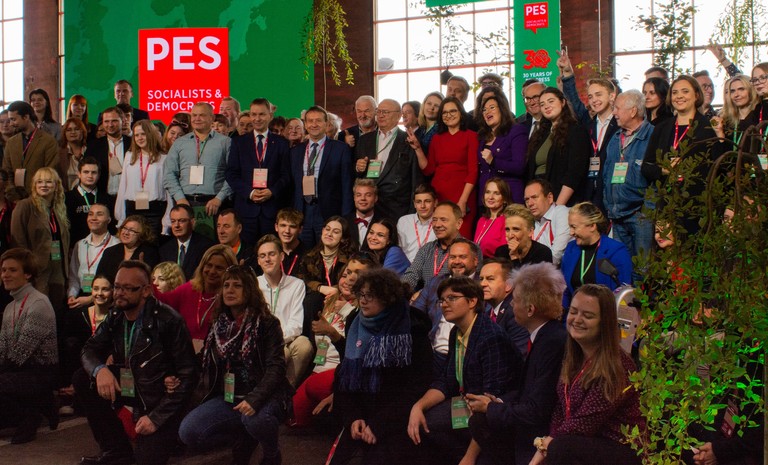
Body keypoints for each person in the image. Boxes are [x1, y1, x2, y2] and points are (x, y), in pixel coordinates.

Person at [74, 260, 198, 465]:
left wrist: (156, 418)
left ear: (146, 291)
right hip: (131, 386)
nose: (119, 293)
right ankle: (115, 450)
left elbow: (189, 376)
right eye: (117, 287)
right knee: (82, 378)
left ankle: (171, 438)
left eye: (127, 288)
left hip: (158, 399)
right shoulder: (116, 314)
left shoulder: (169, 320)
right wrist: (100, 370)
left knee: (146, 459)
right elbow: (89, 349)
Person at [178, 265, 291, 465]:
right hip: (229, 397)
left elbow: (276, 368)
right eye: (226, 285)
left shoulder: (267, 323)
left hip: (264, 396)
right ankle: (244, 438)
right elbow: (203, 360)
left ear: (249, 290)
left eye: (237, 286)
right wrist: (176, 374)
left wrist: (254, 399)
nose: (230, 290)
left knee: (255, 420)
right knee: (189, 432)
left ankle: (272, 454)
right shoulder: (217, 324)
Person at [407, 276, 519, 464]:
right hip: (466, 405)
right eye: (442, 300)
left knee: (435, 426)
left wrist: (469, 457)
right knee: (421, 421)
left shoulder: (491, 337)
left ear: (472, 301)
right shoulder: (456, 332)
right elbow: (447, 381)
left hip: (493, 415)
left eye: (452, 298)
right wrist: (417, 407)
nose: (444, 304)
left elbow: (491, 401)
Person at [528, 284, 644, 465]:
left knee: (561, 447)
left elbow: (584, 423)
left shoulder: (618, 366)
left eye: (588, 316)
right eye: (573, 312)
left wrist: (544, 448)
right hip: (583, 444)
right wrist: (547, 442)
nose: (577, 319)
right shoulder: (574, 357)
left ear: (604, 322)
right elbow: (560, 411)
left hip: (621, 449)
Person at [465, 262, 567, 465]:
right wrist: (498, 402)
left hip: (537, 438)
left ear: (530, 309)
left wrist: (491, 408)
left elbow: (536, 411)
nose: (511, 304)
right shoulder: (546, 336)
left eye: (516, 299)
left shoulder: (552, 343)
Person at [329, 268, 433, 465]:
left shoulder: (412, 329)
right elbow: (345, 378)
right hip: (362, 414)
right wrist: (354, 417)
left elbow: (417, 387)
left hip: (397, 417)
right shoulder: (355, 322)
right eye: (361, 295)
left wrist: (380, 424)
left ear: (388, 298)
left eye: (370, 296)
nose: (363, 301)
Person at [641, 75, 725, 236]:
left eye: (685, 91)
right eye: (675, 92)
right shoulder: (661, 128)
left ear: (697, 95)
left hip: (697, 206)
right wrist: (664, 170)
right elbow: (646, 167)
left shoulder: (707, 127)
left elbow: (718, 168)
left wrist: (720, 137)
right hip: (666, 204)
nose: (679, 96)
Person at [0, 248, 58, 444]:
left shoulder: (39, 302)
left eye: (12, 270)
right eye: (3, 270)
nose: (5, 275)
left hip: (39, 372)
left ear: (27, 274)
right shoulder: (10, 306)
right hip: (17, 370)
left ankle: (32, 414)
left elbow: (19, 355)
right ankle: (34, 408)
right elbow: (3, 350)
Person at [558, 51, 619, 212]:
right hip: (589, 191)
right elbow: (575, 102)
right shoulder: (588, 123)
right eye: (591, 97)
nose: (594, 100)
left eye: (598, 95)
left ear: (612, 96)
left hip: (612, 192)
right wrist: (567, 74)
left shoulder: (620, 124)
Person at [226, 98, 292, 239]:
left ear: (270, 116)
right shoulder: (238, 142)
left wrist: (272, 191)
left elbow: (286, 175)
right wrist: (250, 192)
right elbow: (231, 174)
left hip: (272, 209)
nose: (257, 118)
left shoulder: (282, 143)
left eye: (261, 114)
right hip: (245, 209)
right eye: (254, 114)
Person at [603, 90, 655, 267]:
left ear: (633, 111)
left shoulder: (652, 136)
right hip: (617, 216)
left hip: (640, 217)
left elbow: (655, 181)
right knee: (622, 267)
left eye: (617, 108)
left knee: (643, 269)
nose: (614, 113)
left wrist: (647, 211)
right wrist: (608, 204)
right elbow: (606, 173)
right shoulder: (615, 137)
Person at [414, 96, 479, 237]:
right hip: (439, 193)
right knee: (441, 236)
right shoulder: (437, 138)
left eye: (453, 111)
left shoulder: (471, 136)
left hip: (462, 194)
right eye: (444, 112)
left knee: (461, 236)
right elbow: (428, 170)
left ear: (461, 113)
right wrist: (418, 148)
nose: (448, 115)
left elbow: (473, 171)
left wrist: (463, 200)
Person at [290, 105, 354, 248]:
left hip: (328, 212)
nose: (314, 124)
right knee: (304, 252)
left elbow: (346, 185)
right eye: (310, 121)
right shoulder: (295, 151)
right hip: (302, 212)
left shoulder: (340, 149)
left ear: (326, 123)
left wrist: (345, 217)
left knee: (328, 251)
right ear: (305, 124)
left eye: (318, 120)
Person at [354, 99, 424, 223]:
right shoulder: (365, 140)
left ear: (398, 115)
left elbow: (415, 179)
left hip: (397, 206)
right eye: (378, 111)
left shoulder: (409, 140)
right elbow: (356, 175)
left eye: (385, 112)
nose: (380, 115)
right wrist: (358, 168)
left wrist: (412, 213)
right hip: (369, 206)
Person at [255, 234, 312, 387]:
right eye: (263, 256)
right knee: (282, 354)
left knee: (304, 345)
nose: (267, 259)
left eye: (272, 254)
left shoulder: (296, 284)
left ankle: (287, 389)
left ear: (281, 256)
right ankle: (272, 390)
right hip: (261, 342)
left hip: (287, 339)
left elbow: (296, 324)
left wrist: (278, 340)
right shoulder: (254, 285)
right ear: (258, 261)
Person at [156, 244, 237, 348]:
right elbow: (162, 301)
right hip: (186, 353)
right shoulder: (189, 289)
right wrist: (144, 278)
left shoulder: (231, 297)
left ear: (229, 271)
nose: (212, 271)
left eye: (219, 268)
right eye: (209, 265)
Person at [10, 167, 70, 307]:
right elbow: (18, 241)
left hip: (58, 266)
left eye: (48, 181)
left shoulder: (59, 208)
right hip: (37, 269)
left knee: (57, 307)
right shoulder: (25, 206)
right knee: (38, 308)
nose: (44, 185)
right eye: (39, 181)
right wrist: (27, 268)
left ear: (56, 185)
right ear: (34, 185)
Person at [164, 102, 233, 222]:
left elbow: (233, 174)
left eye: (202, 115)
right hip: (185, 202)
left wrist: (219, 198)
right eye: (194, 115)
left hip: (215, 203)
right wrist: (180, 199)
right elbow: (169, 174)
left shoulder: (226, 142)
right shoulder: (179, 143)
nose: (197, 119)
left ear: (212, 118)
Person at [526, 87, 591, 207]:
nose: (546, 106)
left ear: (563, 102)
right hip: (539, 199)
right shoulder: (540, 134)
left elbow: (574, 173)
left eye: (551, 101)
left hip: (562, 201)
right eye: (542, 104)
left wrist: (558, 207)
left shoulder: (576, 131)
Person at [560, 202, 632, 309]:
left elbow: (623, 293)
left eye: (574, 227)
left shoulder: (616, 251)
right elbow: (565, 290)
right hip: (576, 314)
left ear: (592, 226)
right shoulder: (571, 249)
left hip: (605, 314)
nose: (571, 233)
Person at [115, 120, 170, 237]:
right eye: (136, 135)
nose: (139, 138)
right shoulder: (130, 156)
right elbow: (123, 186)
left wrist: (167, 220)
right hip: (132, 210)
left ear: (151, 134)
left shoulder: (164, 158)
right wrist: (121, 216)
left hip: (155, 211)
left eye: (143, 134)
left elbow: (168, 190)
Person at [476, 93, 529, 205]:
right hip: (487, 200)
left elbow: (520, 167)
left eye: (492, 107)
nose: (487, 112)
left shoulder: (516, 131)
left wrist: (494, 161)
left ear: (502, 109)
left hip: (509, 196)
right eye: (484, 110)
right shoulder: (482, 137)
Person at [401, 201, 463, 292]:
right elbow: (411, 275)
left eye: (443, 220)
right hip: (424, 299)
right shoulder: (427, 249)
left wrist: (424, 293)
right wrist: (399, 291)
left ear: (458, 223)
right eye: (434, 220)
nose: (437, 225)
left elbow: (465, 284)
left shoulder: (470, 250)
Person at [67, 203, 120, 309]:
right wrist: (71, 295)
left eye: (99, 214)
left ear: (109, 220)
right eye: (90, 214)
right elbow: (74, 276)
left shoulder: (117, 245)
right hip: (80, 298)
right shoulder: (80, 245)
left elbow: (116, 280)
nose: (93, 218)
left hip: (105, 300)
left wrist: (91, 299)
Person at [3, 101, 59, 193]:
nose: (11, 124)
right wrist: (12, 194)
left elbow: (50, 172)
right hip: (15, 197)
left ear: (26, 117)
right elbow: (7, 172)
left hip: (40, 196)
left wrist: (37, 196)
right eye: (10, 120)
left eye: (13, 119)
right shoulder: (11, 143)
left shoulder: (48, 141)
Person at [297, 216, 353, 297]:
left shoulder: (350, 260)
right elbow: (300, 281)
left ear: (343, 238)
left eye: (335, 232)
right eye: (327, 229)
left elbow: (353, 283)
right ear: (323, 231)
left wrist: (337, 290)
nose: (329, 234)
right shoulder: (309, 257)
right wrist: (319, 287)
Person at [158, 204, 216, 280]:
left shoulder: (206, 246)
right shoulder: (165, 249)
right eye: (173, 221)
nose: (176, 225)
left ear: (192, 222)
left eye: (181, 221)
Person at [95, 215, 160, 283]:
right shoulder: (109, 252)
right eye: (124, 228)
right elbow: (99, 278)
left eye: (132, 230)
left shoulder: (150, 253)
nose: (126, 233)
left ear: (141, 234)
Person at [65, 156, 114, 244]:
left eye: (94, 172)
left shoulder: (108, 199)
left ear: (99, 175)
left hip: (103, 245)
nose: (90, 176)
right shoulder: (67, 198)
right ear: (79, 174)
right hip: (75, 246)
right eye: (86, 172)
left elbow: (112, 225)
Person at [524, 179, 572, 267]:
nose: (530, 203)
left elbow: (556, 254)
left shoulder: (561, 213)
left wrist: (534, 269)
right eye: (527, 199)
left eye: (534, 197)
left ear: (549, 198)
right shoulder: (531, 221)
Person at [90, 107, 132, 197]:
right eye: (106, 121)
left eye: (114, 121)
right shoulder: (94, 146)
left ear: (123, 121)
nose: (110, 125)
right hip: (102, 196)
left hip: (128, 196)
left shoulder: (133, 144)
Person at [397, 184, 438, 262]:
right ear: (414, 204)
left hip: (430, 266)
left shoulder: (440, 223)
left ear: (435, 202)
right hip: (406, 266)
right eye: (418, 202)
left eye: (427, 201)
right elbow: (398, 250)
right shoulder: (404, 221)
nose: (422, 206)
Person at [475, 178, 511, 258]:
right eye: (487, 192)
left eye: (496, 193)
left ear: (505, 198)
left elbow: (504, 254)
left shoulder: (507, 221)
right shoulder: (481, 220)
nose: (490, 197)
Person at [345, 178, 381, 251]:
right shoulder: (344, 222)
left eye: (368, 195)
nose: (363, 198)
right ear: (354, 198)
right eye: (359, 195)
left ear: (375, 198)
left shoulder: (383, 223)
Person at [59, 117, 89, 190]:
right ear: (64, 133)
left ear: (83, 132)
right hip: (66, 193)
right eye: (69, 130)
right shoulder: (59, 154)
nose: (73, 132)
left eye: (77, 129)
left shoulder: (91, 150)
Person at [414, 91, 443, 156]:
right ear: (423, 105)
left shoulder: (442, 130)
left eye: (436, 106)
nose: (431, 108)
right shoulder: (420, 130)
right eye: (429, 103)